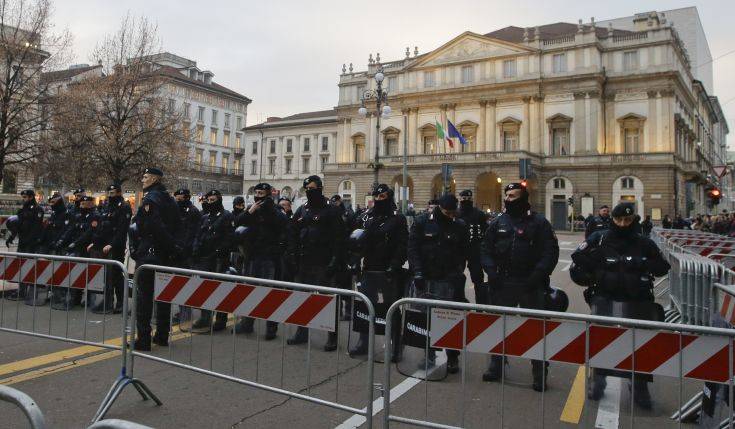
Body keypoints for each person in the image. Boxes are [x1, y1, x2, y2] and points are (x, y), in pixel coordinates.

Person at [571, 202, 670, 409]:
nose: (623, 224)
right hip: (605, 295)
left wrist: (642, 264)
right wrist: (594, 272)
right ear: (613, 219)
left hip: (638, 299)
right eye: (618, 220)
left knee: (640, 343)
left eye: (627, 220)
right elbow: (577, 260)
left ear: (633, 220)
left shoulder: (644, 243)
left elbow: (662, 267)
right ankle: (598, 380)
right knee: (601, 339)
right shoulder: (600, 238)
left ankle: (640, 385)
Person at [480, 182, 559, 390]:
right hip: (503, 283)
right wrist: (492, 272)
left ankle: (539, 371)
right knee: (498, 326)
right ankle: (496, 364)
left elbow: (550, 252)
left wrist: (538, 274)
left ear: (524, 198)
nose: (508, 199)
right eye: (507, 195)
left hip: (530, 284)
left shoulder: (539, 223)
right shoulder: (498, 223)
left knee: (536, 329)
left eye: (513, 196)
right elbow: (486, 250)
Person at [408, 193, 469, 373]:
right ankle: (429, 355)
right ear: (440, 209)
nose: (450, 216)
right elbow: (413, 249)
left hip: (449, 279)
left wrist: (458, 271)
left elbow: (464, 251)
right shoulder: (422, 222)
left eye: (453, 212)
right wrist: (417, 272)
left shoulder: (459, 225)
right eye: (447, 212)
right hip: (427, 277)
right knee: (426, 318)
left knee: (450, 319)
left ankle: (452, 357)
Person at [286, 175, 346, 352]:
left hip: (324, 261)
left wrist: (335, 261)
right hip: (305, 260)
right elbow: (292, 231)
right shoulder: (303, 209)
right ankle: (301, 331)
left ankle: (332, 336)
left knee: (328, 300)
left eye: (312, 188)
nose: (309, 192)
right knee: (302, 298)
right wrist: (293, 255)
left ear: (319, 188)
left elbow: (339, 238)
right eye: (307, 189)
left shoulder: (332, 210)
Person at [348, 184, 407, 361]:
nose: (379, 200)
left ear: (389, 197)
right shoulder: (366, 217)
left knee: (391, 308)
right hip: (369, 268)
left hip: (389, 270)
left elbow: (402, 245)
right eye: (376, 197)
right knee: (365, 306)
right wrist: (354, 263)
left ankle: (395, 344)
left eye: (382, 197)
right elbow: (355, 241)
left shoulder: (398, 219)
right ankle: (363, 341)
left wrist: (395, 265)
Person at [131, 168, 182, 351]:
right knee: (163, 297)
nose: (142, 180)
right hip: (166, 254)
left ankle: (143, 339)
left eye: (145, 177)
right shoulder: (169, 199)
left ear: (153, 179)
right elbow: (177, 226)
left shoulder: (151, 199)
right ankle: (162, 335)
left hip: (151, 253)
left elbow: (154, 226)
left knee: (144, 298)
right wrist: (173, 247)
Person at [232, 183, 287, 339]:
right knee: (249, 291)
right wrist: (250, 212)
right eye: (256, 192)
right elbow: (238, 221)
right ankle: (247, 324)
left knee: (269, 293)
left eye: (261, 193)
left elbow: (282, 223)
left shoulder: (275, 210)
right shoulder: (252, 210)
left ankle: (271, 328)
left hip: (269, 257)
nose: (258, 195)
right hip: (252, 256)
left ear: (268, 195)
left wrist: (269, 209)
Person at [188, 189, 234, 333]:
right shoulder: (205, 216)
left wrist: (220, 251)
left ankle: (221, 319)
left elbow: (230, 237)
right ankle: (205, 317)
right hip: (205, 257)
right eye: (208, 200)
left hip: (219, 257)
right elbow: (198, 234)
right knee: (205, 288)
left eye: (213, 200)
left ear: (219, 200)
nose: (210, 203)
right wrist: (195, 249)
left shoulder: (227, 216)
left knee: (220, 289)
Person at [89, 184, 132, 314]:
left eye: (112, 193)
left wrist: (112, 244)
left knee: (116, 276)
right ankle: (107, 301)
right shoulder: (107, 205)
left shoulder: (124, 207)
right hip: (103, 245)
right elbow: (102, 227)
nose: (109, 195)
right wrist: (95, 242)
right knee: (106, 276)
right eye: (109, 193)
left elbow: (122, 229)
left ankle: (120, 303)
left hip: (115, 246)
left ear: (119, 193)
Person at [51, 196, 100, 310]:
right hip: (78, 248)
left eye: (83, 204)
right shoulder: (79, 216)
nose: (81, 206)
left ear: (90, 205)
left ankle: (89, 301)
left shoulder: (94, 217)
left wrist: (75, 243)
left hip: (87, 249)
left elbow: (88, 234)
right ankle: (75, 299)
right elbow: (71, 229)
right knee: (75, 274)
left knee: (89, 275)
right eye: (81, 204)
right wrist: (62, 241)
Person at [4, 190, 45, 303]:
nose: (23, 199)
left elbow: (37, 228)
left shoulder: (38, 210)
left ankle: (30, 292)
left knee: (30, 267)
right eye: (23, 197)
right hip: (23, 241)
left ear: (31, 197)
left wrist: (33, 241)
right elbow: (17, 226)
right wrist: (11, 237)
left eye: (25, 197)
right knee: (20, 266)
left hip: (31, 243)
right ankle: (21, 290)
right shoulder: (22, 210)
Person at [170, 188, 202, 325]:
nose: (177, 201)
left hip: (186, 253)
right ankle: (182, 310)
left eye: (180, 199)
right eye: (176, 199)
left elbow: (193, 233)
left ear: (186, 198)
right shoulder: (175, 211)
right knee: (177, 283)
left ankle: (185, 312)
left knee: (184, 283)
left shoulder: (193, 211)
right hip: (177, 252)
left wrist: (187, 249)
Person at [457, 189, 489, 304]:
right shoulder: (456, 213)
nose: (466, 201)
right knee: (457, 277)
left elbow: (485, 230)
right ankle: (459, 301)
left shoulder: (479, 214)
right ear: (460, 199)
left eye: (468, 199)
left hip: (475, 249)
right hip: (459, 250)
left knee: (478, 279)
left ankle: (481, 304)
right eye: (464, 199)